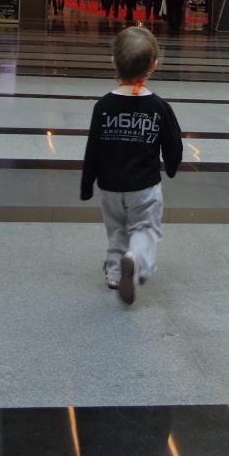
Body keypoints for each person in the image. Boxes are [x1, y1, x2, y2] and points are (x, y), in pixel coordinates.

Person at [80, 27, 182, 306]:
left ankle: (115, 273)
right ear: (154, 66)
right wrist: (172, 166)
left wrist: (87, 184)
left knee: (117, 230)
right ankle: (135, 260)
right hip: (144, 186)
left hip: (110, 186)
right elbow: (174, 144)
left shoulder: (103, 106)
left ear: (113, 61)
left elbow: (93, 148)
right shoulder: (159, 107)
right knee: (145, 229)